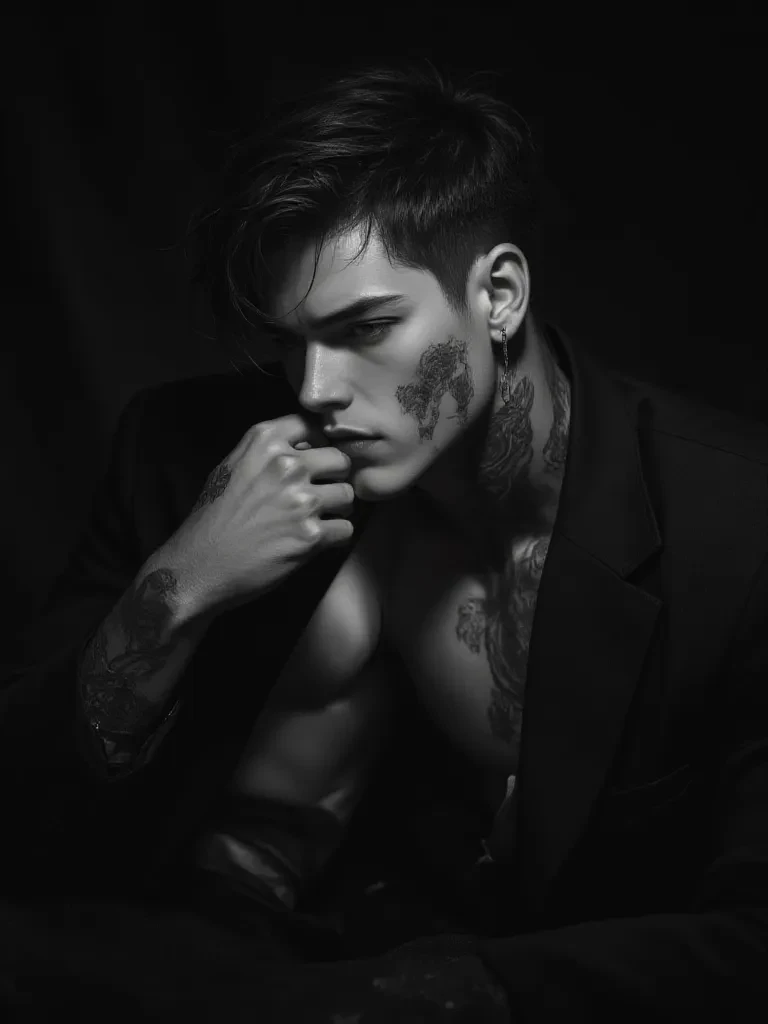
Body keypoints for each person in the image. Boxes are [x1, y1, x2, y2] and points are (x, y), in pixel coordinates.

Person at [2, 58, 767, 1020]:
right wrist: (179, 586)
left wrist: (429, 996)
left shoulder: (731, 527)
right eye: (289, 341)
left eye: (366, 327)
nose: (315, 388)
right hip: (186, 959)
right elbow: (23, 817)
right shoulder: (184, 455)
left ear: (498, 295)